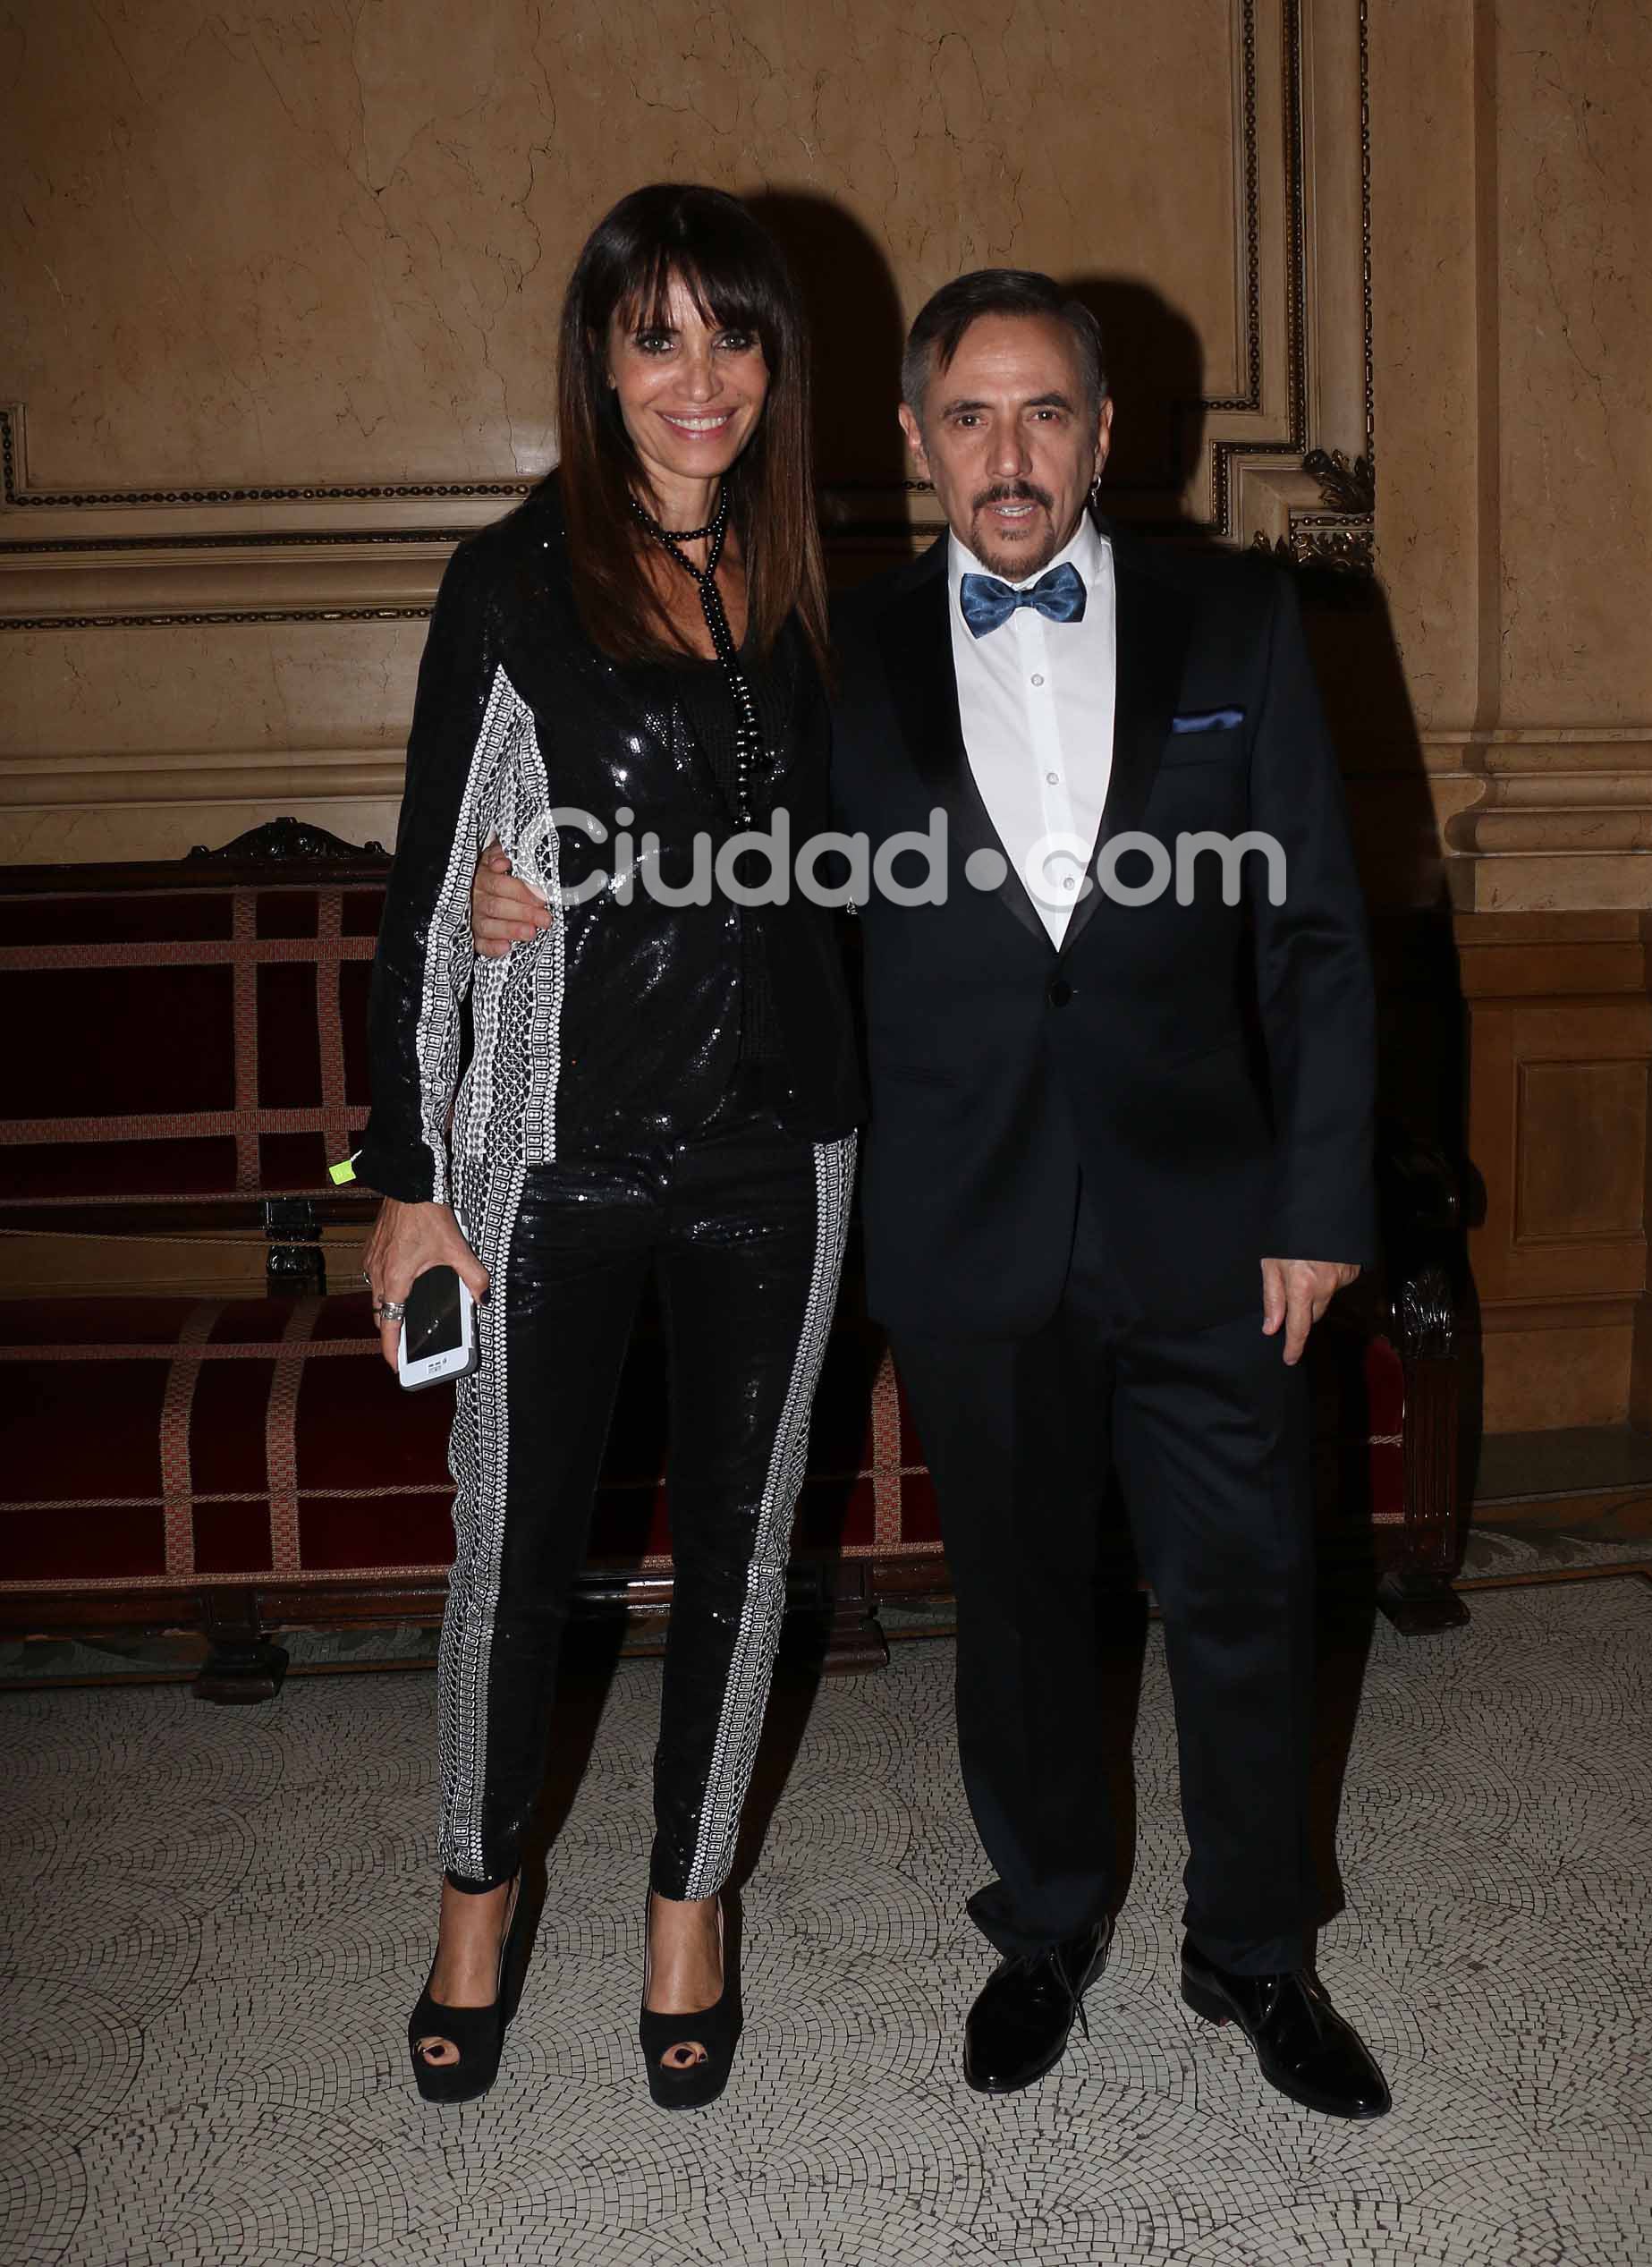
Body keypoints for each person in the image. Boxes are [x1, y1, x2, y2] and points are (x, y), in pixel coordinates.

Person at [474, 267, 1390, 2121]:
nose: (1007, 454)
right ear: (910, 438)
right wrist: (552, 879)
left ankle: (1257, 1947)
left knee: (1245, 1586)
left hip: (1212, 1219)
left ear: (1108, 433)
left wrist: (1320, 1200)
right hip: (964, 1220)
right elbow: (739, 853)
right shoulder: (845, 646)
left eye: (1044, 411)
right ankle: (1045, 1922)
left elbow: (1311, 932)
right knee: (1024, 1601)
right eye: (967, 417)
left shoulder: (1243, 621)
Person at [352, 183, 860, 2110]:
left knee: (744, 1552)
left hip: (782, 1147)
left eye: (733, 336)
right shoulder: (510, 581)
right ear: (601, 363)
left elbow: (866, 857)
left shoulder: (817, 580)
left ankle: (687, 1908)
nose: (701, 376)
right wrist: (402, 1175)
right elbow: (421, 898)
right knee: (515, 1551)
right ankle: (475, 1900)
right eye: (659, 336)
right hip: (546, 1155)